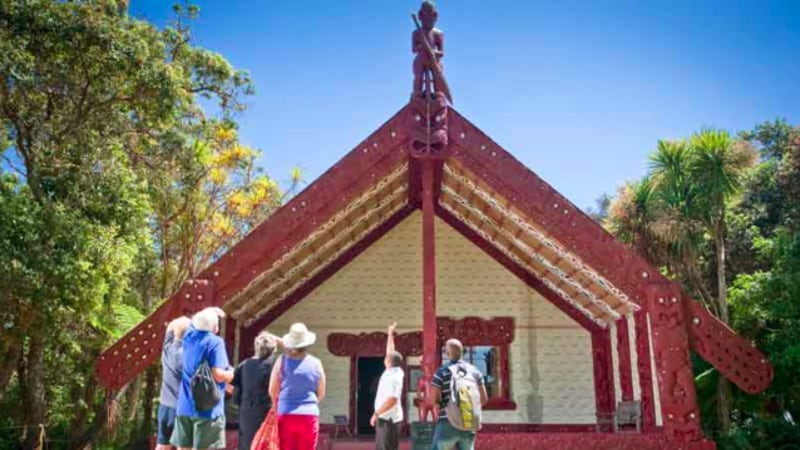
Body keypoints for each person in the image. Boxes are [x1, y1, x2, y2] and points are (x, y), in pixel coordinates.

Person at [171, 307, 234, 450]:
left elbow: (195, 322)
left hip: (185, 406)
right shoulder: (215, 342)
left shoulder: (188, 336)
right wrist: (231, 374)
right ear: (214, 327)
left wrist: (209, 312)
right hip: (208, 409)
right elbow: (217, 374)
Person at [269, 323, 326, 450]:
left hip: (285, 413)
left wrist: (277, 404)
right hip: (309, 414)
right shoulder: (316, 363)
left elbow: (272, 390)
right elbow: (321, 391)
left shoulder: (281, 361)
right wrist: (311, 403)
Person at [430, 339, 488, 450]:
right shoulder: (475, 371)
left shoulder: (442, 371)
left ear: (447, 353)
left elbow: (433, 401)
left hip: (447, 423)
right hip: (469, 422)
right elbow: (483, 399)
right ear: (462, 352)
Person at [232, 331, 280, 450]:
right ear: (273, 349)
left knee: (247, 443)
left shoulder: (245, 364)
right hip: (269, 409)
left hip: (247, 410)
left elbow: (232, 384)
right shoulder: (276, 364)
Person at [157, 316, 191, 450]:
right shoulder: (186, 357)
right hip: (182, 409)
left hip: (165, 406)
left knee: (162, 445)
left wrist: (180, 324)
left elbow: (171, 326)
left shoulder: (167, 348)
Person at [371, 322, 405, 450]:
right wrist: (390, 334)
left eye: (387, 357)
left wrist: (376, 413)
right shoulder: (394, 370)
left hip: (388, 419)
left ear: (389, 361)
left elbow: (392, 399)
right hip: (385, 418)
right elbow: (390, 351)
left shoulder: (392, 377)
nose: (385, 357)